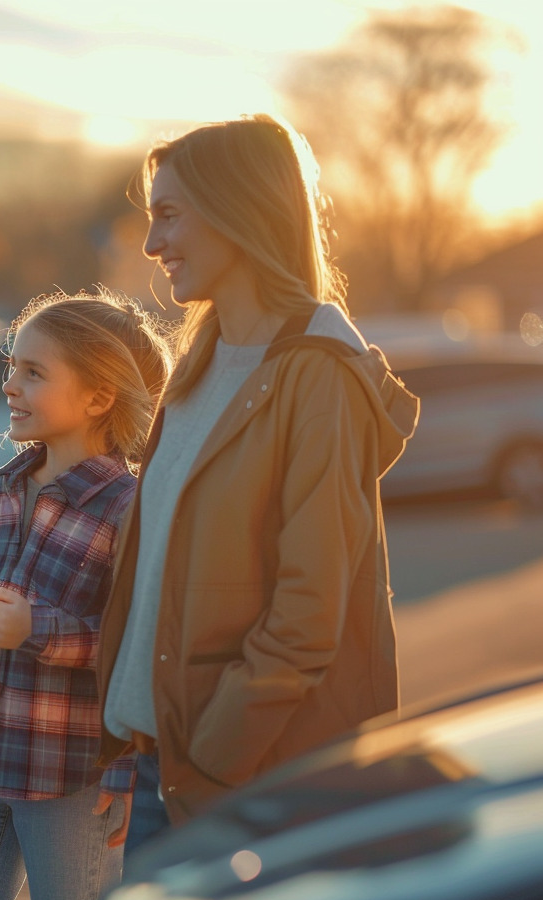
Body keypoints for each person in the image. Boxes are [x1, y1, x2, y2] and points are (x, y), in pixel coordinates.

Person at [96, 114, 420, 862]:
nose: (152, 246)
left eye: (169, 216)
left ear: (238, 211)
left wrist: (211, 758)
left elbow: (307, 615)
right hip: (162, 766)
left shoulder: (319, 374)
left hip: (242, 782)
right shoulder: (200, 361)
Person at [0, 289, 172, 900]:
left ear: (97, 396)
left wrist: (35, 631)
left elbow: (141, 645)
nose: (10, 385)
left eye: (34, 372)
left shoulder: (130, 506)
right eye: (11, 367)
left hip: (76, 776)